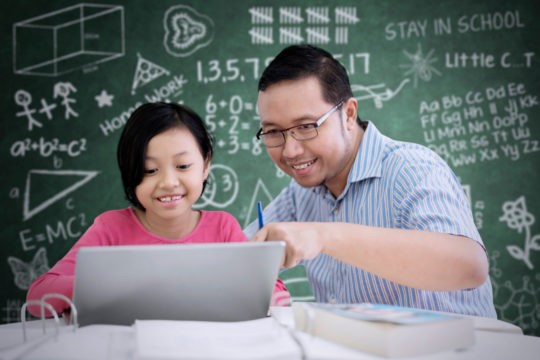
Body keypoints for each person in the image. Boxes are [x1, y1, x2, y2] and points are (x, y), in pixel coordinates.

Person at [244, 44, 496, 318]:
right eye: (272, 132)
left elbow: (469, 266)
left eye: (306, 126)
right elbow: (238, 259)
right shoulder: (301, 193)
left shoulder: (412, 168)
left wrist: (323, 235)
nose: (290, 151)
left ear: (349, 114)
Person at [27, 102, 289, 317]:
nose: (168, 183)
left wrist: (263, 292)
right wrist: (114, 284)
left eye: (183, 166)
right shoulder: (111, 229)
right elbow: (39, 297)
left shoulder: (222, 228)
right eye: (149, 170)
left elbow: (277, 294)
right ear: (130, 172)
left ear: (205, 164)